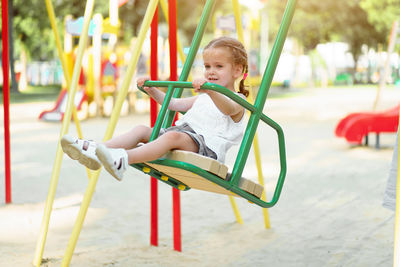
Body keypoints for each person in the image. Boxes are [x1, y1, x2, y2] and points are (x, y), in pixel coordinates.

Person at [61, 36, 249, 181]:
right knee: (142, 130)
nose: (211, 71)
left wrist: (211, 91)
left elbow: (228, 109)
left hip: (207, 148)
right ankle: (95, 150)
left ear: (237, 71)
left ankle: (122, 159)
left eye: (219, 66)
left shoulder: (238, 100)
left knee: (171, 136)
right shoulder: (204, 97)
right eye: (207, 66)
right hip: (184, 136)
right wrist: (152, 91)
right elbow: (173, 104)